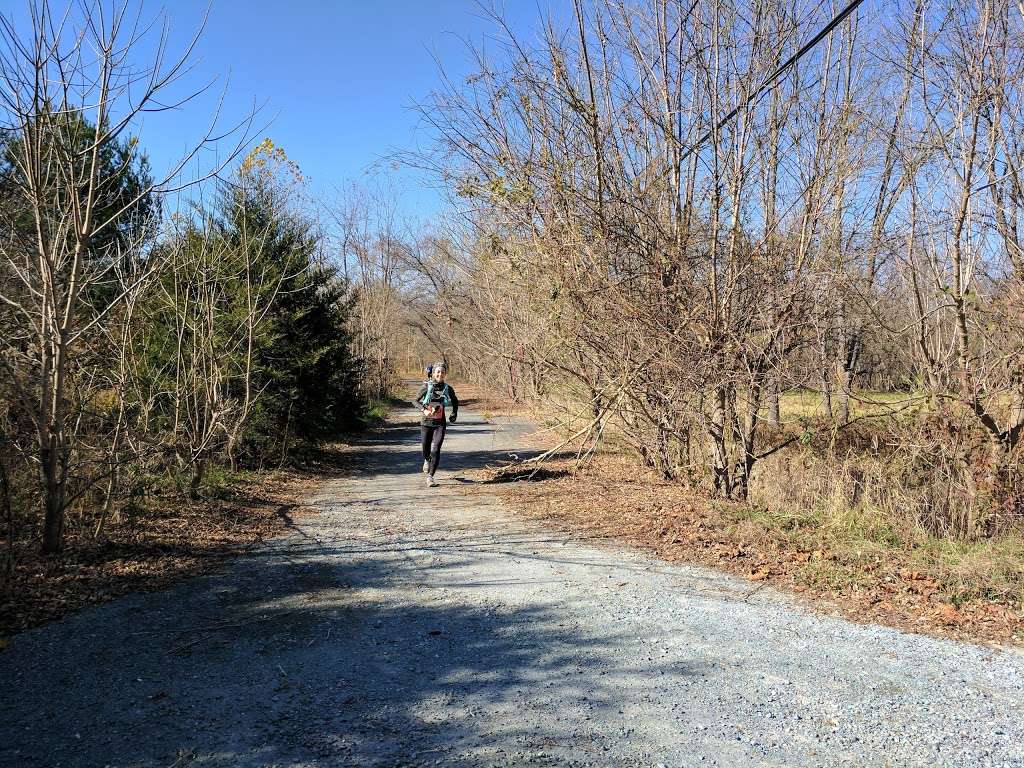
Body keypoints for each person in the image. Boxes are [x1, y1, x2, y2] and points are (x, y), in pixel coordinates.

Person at [413, 362, 458, 487]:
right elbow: (414, 401)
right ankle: (427, 460)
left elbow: (455, 401)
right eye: (438, 372)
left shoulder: (448, 388)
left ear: (445, 374)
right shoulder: (426, 386)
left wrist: (454, 413)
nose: (440, 374)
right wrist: (424, 410)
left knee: (436, 449)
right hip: (426, 422)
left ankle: (430, 477)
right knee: (425, 449)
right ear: (433, 373)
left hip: (440, 423)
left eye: (442, 372)